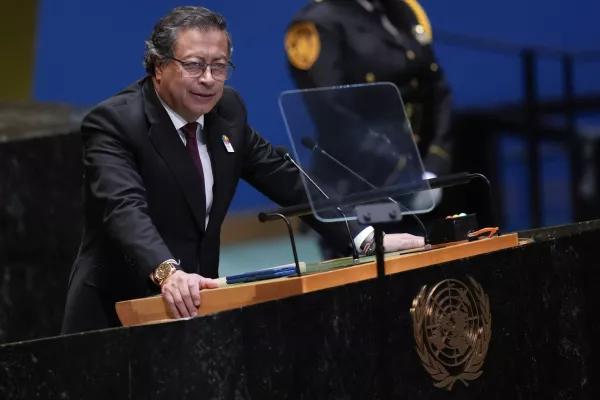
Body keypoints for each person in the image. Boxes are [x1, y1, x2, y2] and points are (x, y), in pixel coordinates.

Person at [61, 6, 425, 334]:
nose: (208, 79)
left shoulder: (227, 112)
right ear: (159, 66)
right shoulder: (114, 122)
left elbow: (287, 180)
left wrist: (363, 238)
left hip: (198, 305)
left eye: (218, 67)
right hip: (117, 314)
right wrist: (167, 271)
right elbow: (124, 209)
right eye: (193, 65)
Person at [286, 0, 454, 257]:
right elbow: (333, 113)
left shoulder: (403, 10)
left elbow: (438, 91)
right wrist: (406, 173)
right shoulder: (317, 23)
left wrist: (433, 168)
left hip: (422, 186)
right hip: (361, 189)